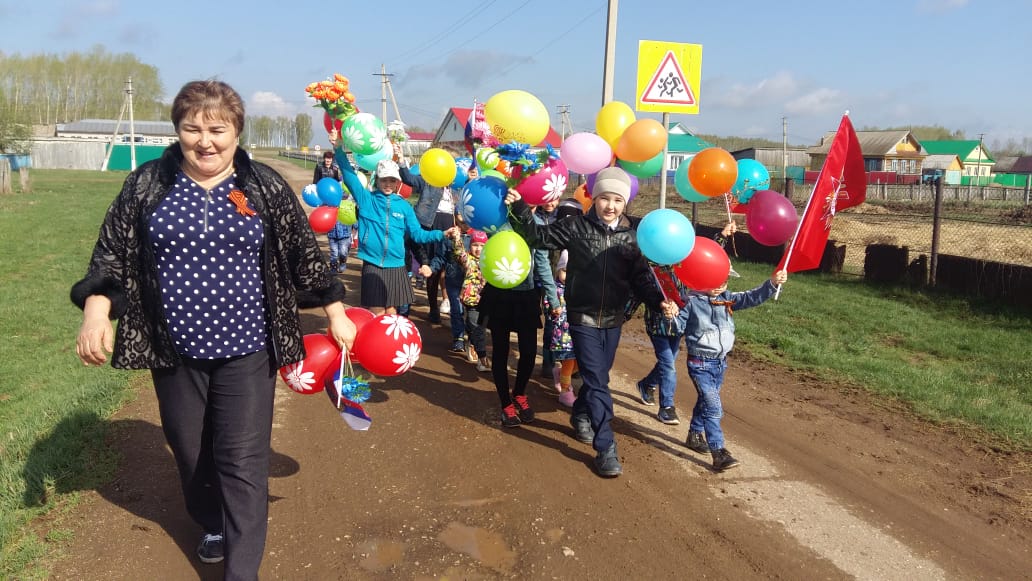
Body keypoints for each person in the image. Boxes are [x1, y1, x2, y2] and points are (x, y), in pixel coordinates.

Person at [71, 80, 358, 580]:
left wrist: (335, 312)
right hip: (173, 349)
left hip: (248, 348)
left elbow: (302, 254)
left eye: (217, 130)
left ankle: (241, 572)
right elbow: (111, 252)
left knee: (242, 459)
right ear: (178, 131)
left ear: (237, 133)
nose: (205, 141)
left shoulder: (263, 186)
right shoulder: (148, 184)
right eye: (192, 129)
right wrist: (97, 310)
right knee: (190, 450)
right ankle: (211, 520)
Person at [505, 167, 679, 477]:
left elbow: (642, 279)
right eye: (604, 198)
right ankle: (605, 445)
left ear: (624, 203)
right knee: (599, 382)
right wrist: (519, 206)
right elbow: (537, 237)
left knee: (596, 375)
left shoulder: (631, 239)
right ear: (594, 198)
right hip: (581, 316)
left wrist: (661, 301)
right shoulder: (575, 227)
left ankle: (581, 414)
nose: (610, 206)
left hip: (613, 318)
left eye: (617, 200)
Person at [680, 268, 789, 471]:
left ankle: (694, 434)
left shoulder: (727, 298)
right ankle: (719, 452)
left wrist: (773, 284)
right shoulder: (690, 302)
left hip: (720, 363)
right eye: (715, 279)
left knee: (706, 401)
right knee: (713, 407)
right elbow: (677, 326)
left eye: (724, 281)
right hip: (700, 364)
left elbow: (751, 297)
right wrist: (671, 313)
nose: (720, 285)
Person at [331, 132, 443, 315]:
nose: (388, 184)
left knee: (391, 313)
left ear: (398, 182)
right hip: (373, 263)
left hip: (397, 265)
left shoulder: (404, 206)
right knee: (377, 313)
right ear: (378, 180)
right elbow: (350, 176)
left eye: (392, 180)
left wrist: (441, 234)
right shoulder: (366, 199)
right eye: (384, 179)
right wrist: (338, 149)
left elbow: (418, 234)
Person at [476, 230, 555, 429]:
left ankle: (519, 393)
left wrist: (553, 298)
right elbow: (488, 254)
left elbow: (542, 263)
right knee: (500, 352)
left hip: (526, 297)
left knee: (529, 352)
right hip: (499, 295)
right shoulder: (497, 224)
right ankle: (506, 404)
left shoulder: (536, 226)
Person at [397, 144, 457, 324]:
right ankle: (433, 309)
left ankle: (452, 306)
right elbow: (408, 178)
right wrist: (401, 160)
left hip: (451, 226)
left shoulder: (456, 186)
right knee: (433, 268)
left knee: (449, 267)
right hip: (431, 225)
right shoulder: (428, 180)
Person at [450, 227, 490, 372]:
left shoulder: (490, 261)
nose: (478, 249)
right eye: (475, 245)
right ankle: (482, 359)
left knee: (480, 328)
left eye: (482, 246)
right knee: (477, 327)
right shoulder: (468, 260)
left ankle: (472, 343)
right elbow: (459, 252)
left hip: (487, 301)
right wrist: (456, 238)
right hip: (472, 301)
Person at [543, 249, 578, 407]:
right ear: (558, 270)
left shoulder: (579, 288)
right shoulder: (555, 289)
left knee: (580, 362)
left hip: (578, 332)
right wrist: (552, 309)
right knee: (569, 361)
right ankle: (565, 391)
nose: (568, 275)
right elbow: (547, 303)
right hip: (563, 334)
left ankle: (560, 373)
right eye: (564, 271)